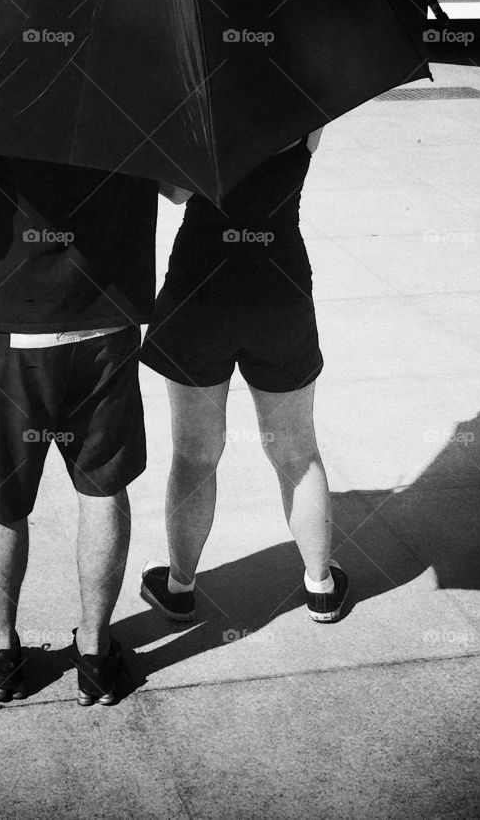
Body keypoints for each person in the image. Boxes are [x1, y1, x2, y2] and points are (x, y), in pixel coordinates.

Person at [0, 152, 157, 706]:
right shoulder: (146, 78)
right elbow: (181, 190)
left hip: (16, 321)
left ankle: (1, 653)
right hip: (108, 316)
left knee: (2, 496)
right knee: (104, 487)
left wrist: (12, 227)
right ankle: (95, 654)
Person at [138, 129, 349, 625]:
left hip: (201, 283)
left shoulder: (197, 110)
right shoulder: (302, 100)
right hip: (279, 284)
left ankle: (179, 586)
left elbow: (175, 191)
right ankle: (320, 586)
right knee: (297, 449)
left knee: (194, 454)